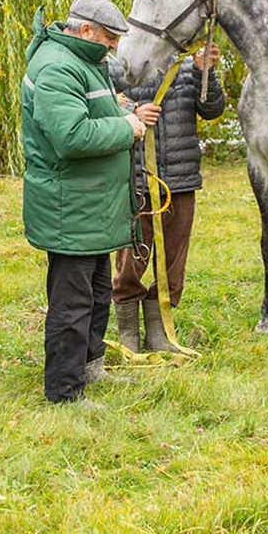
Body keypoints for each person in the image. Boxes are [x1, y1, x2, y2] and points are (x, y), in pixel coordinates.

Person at [20, 0, 160, 405]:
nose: (115, 46)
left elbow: (92, 112)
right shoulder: (56, 68)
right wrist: (129, 128)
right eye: (111, 38)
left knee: (98, 293)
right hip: (70, 209)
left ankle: (90, 368)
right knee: (72, 304)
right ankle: (64, 390)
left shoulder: (83, 62)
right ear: (85, 31)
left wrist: (121, 110)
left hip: (90, 208)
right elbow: (72, 137)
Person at [109, 45, 225, 352]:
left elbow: (213, 109)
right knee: (131, 259)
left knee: (173, 261)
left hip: (180, 182)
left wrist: (206, 72)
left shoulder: (188, 69)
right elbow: (99, 104)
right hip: (136, 181)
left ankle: (160, 333)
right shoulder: (122, 67)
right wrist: (130, 114)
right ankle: (128, 335)